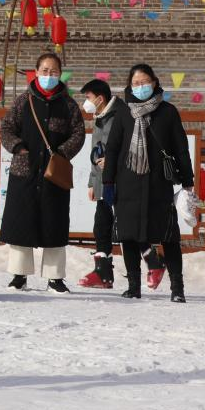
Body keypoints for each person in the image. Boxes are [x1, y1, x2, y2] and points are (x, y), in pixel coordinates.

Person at [102, 64, 195, 302]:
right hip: (128, 183)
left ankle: (177, 288)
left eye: (145, 82)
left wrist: (187, 180)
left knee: (169, 236)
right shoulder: (123, 113)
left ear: (154, 82)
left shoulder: (168, 112)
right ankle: (134, 286)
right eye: (136, 83)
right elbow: (112, 149)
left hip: (158, 185)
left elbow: (181, 149)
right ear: (129, 86)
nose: (140, 87)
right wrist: (108, 182)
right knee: (129, 236)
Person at [0, 52, 85, 292]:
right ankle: (19, 275)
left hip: (53, 173)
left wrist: (63, 153)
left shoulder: (68, 105)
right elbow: (6, 128)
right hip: (24, 172)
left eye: (54, 71)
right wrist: (18, 147)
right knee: (20, 223)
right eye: (45, 71)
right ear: (36, 72)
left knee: (54, 223)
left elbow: (78, 133)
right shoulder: (23, 101)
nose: (49, 75)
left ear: (60, 74)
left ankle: (55, 277)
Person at [78, 78, 121, 288]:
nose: (85, 102)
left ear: (100, 98)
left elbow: (128, 147)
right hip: (103, 182)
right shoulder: (100, 117)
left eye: (88, 97)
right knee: (101, 225)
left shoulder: (120, 115)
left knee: (126, 226)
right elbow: (97, 154)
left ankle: (154, 262)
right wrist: (92, 183)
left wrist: (113, 162)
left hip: (121, 181)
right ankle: (103, 273)